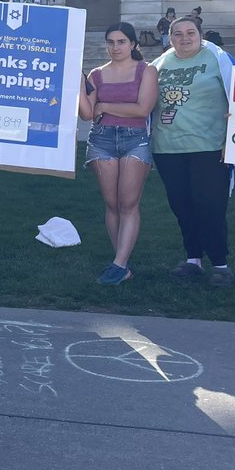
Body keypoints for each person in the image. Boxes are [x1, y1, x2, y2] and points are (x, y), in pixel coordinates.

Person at [151, 16, 235, 286]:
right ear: (169, 37)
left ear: (201, 34)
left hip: (209, 147)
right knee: (182, 206)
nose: (184, 38)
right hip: (168, 149)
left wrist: (232, 140)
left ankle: (220, 264)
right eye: (177, 34)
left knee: (210, 206)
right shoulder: (159, 64)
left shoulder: (219, 59)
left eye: (190, 33)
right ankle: (193, 259)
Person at [78, 23, 158, 285]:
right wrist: (78, 82)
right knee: (112, 204)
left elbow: (142, 109)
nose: (115, 47)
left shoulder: (146, 71)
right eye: (110, 42)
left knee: (128, 203)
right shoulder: (96, 74)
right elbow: (88, 114)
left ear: (134, 44)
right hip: (102, 139)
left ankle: (118, 264)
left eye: (121, 41)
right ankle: (121, 262)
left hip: (135, 140)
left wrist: (105, 104)